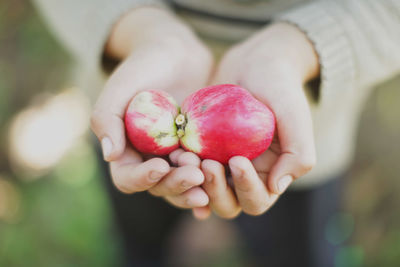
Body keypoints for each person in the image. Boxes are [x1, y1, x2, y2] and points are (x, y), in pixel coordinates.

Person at [33, 0, 400, 266]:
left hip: (290, 139)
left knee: (299, 251)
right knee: (139, 238)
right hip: (131, 102)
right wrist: (138, 29)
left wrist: (296, 50)